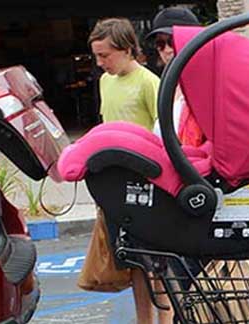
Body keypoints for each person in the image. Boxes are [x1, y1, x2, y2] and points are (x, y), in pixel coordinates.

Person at [84, 17, 170, 324]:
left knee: (155, 264)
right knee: (132, 261)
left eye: (105, 55)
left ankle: (165, 319)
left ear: (126, 49)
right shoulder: (106, 82)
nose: (100, 62)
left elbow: (164, 135)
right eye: (96, 56)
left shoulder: (149, 83)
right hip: (116, 184)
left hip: (147, 185)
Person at [147, 7, 205, 147]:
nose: (167, 50)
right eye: (160, 44)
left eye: (172, 41)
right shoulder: (168, 86)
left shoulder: (207, 87)